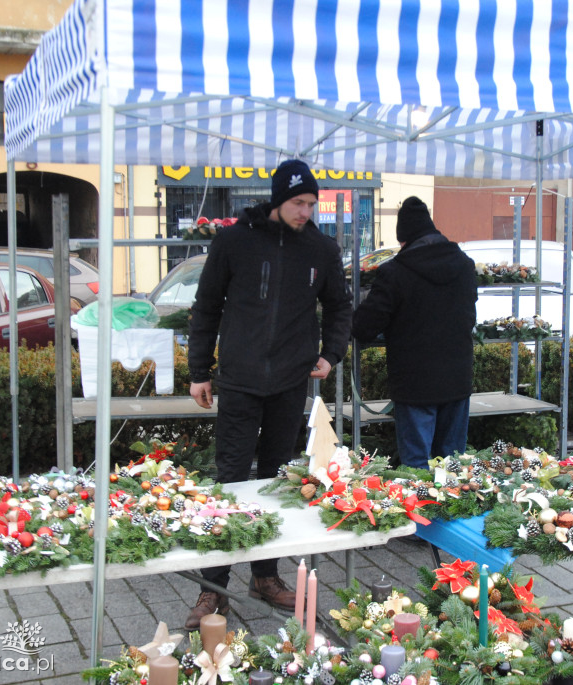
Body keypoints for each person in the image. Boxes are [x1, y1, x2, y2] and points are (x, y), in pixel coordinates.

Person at [185, 159, 351, 629]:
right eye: (298, 202)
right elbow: (207, 306)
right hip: (237, 380)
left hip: (289, 383)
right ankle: (212, 589)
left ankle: (265, 576)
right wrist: (200, 370)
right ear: (278, 200)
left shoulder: (321, 249)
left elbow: (340, 307)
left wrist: (330, 354)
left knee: (279, 481)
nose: (306, 211)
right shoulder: (234, 241)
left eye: (311, 203)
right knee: (232, 480)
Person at [351, 196, 477, 468]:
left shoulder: (394, 273)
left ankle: (420, 510)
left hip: (414, 384)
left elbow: (364, 326)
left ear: (404, 239)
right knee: (453, 466)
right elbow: (470, 317)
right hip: (457, 380)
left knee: (417, 468)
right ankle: (452, 509)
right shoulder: (465, 266)